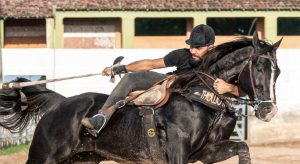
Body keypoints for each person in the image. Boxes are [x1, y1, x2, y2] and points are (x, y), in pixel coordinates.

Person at [81, 24, 240, 136]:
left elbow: (243, 90)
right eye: (191, 46)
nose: (192, 50)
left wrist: (230, 88)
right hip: (167, 83)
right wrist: (120, 68)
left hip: (192, 107)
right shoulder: (182, 55)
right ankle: (101, 117)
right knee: (130, 79)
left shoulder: (219, 64)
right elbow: (151, 64)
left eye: (198, 48)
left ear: (210, 48)